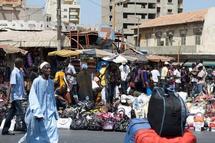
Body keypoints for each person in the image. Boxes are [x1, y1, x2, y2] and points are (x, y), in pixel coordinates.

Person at [19, 62, 59, 143]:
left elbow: (52, 97)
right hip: (39, 112)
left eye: (49, 68)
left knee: (53, 129)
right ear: (41, 70)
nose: (49, 69)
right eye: (46, 68)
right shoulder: (37, 81)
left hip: (50, 113)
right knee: (37, 135)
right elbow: (33, 97)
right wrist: (37, 112)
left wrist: (55, 111)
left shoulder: (51, 82)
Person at [2, 58, 26, 135]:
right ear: (19, 64)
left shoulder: (20, 71)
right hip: (16, 97)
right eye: (22, 63)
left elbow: (23, 81)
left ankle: (5, 130)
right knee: (22, 112)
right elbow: (11, 86)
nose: (23, 64)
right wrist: (8, 98)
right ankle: (26, 128)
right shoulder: (14, 72)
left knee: (11, 113)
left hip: (20, 96)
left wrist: (23, 70)